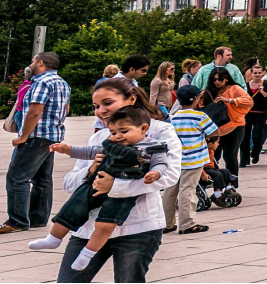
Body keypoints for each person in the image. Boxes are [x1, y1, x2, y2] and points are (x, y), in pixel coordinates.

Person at [28, 105, 173, 271]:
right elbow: (89, 151)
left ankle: (87, 254)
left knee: (105, 225)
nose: (117, 137)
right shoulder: (109, 144)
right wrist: (68, 149)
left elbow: (162, 164)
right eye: (113, 132)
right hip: (96, 184)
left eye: (124, 131)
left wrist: (155, 172)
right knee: (73, 208)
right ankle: (53, 238)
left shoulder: (154, 147)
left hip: (123, 193)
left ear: (144, 129)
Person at [0, 51, 69, 236]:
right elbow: (66, 108)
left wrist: (23, 136)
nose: (31, 64)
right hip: (51, 134)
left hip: (36, 135)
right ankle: (38, 218)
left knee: (17, 177)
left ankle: (17, 221)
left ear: (40, 63)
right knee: (42, 178)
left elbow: (35, 111)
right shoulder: (61, 82)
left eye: (32, 61)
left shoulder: (41, 82)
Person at [161, 85, 216, 234]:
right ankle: (187, 224)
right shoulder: (200, 116)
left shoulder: (173, 117)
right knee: (187, 191)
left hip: (175, 160)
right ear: (197, 99)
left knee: (169, 192)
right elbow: (214, 131)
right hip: (193, 160)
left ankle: (167, 224)